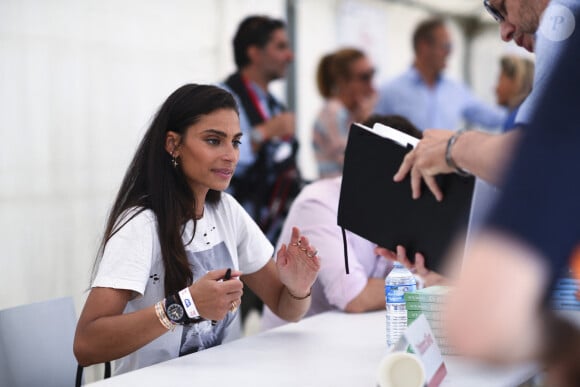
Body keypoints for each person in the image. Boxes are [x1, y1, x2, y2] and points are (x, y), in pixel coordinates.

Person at [73, 84, 320, 375]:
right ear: (173, 144)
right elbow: (87, 344)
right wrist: (186, 306)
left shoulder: (227, 210)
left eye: (236, 142)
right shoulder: (141, 224)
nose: (231, 155)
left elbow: (285, 308)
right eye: (214, 141)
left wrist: (298, 288)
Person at [394, 0, 579, 381]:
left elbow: (481, 323)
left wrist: (455, 149)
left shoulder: (564, 20)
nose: (505, 31)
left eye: (500, 8)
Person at [260, 115, 444, 331]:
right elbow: (354, 297)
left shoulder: (400, 204)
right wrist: (428, 283)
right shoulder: (318, 203)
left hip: (351, 336)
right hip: (292, 350)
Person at [220, 15, 304, 324]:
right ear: (254, 52)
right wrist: (264, 133)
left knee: (277, 329)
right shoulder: (221, 98)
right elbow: (214, 161)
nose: (289, 55)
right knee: (225, 329)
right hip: (230, 238)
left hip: (269, 237)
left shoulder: (274, 105)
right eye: (281, 46)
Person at [375, 17, 506, 132]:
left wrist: (523, 111)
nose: (450, 52)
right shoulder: (390, 92)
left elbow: (491, 117)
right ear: (424, 47)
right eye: (446, 46)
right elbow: (374, 131)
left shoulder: (456, 90)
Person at [312, 47, 377, 178]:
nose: (371, 85)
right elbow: (355, 163)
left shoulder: (352, 113)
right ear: (342, 81)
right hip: (333, 194)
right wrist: (367, 123)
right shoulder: (334, 112)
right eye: (364, 77)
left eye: (372, 74)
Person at [494, 54, 534, 131]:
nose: (496, 88)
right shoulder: (531, 116)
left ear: (516, 82)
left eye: (500, 80)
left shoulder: (516, 120)